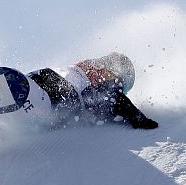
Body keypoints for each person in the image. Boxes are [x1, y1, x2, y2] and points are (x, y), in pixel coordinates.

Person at [27, 52, 159, 130]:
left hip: (43, 75)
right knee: (67, 107)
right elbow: (116, 100)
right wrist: (139, 119)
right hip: (62, 89)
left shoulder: (90, 66)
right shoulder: (106, 77)